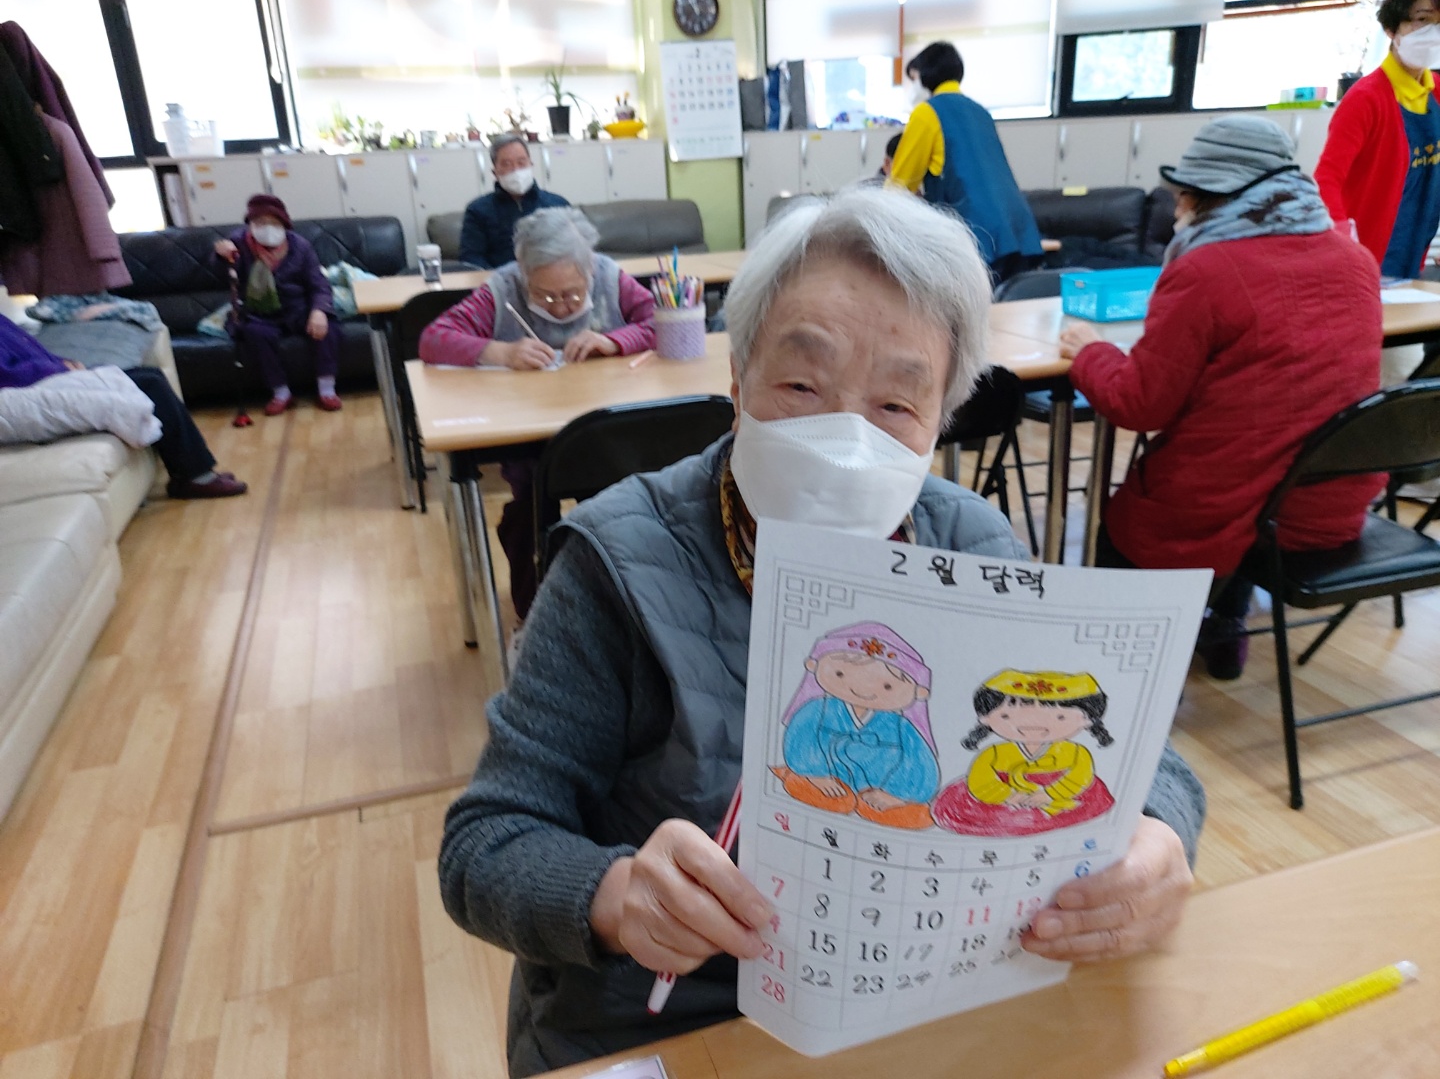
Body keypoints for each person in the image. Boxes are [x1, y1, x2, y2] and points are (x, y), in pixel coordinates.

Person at [438, 187, 1206, 1077]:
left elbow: (1144, 759)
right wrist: (611, 896)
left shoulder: (970, 546)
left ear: (939, 422)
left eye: (896, 406)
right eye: (802, 385)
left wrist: (1158, 840)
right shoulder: (617, 563)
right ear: (737, 380)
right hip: (667, 1028)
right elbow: (486, 841)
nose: (845, 438)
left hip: (925, 1008)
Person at [1060, 117, 1383, 680]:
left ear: (1205, 195)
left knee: (1126, 522)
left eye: (1182, 194)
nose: (1177, 208)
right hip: (1329, 507)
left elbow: (1139, 404)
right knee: (1258, 466)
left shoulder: (1206, 269)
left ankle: (1114, 668)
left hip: (1224, 515)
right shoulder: (1356, 261)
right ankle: (1225, 624)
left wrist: (1091, 352)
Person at [420, 207, 656, 621]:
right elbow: (433, 339)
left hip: (604, 433)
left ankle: (617, 609)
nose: (561, 307)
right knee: (528, 519)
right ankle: (534, 618)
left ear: (589, 269)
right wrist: (500, 352)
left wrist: (614, 340)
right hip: (531, 441)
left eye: (572, 294)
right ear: (524, 274)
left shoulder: (609, 277)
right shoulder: (502, 288)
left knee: (617, 510)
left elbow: (662, 321)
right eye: (545, 295)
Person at [0, 314, 247, 498]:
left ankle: (191, 472)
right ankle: (194, 477)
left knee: (151, 375)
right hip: (34, 387)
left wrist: (62, 362)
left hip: (50, 377)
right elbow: (7, 374)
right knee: (150, 385)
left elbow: (32, 351)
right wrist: (57, 368)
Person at [887, 42, 1043, 283]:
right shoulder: (980, 112)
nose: (913, 87)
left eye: (914, 78)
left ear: (927, 74)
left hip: (975, 236)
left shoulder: (927, 112)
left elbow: (898, 188)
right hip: (1018, 230)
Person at [770, 622, 939, 830]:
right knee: (820, 795)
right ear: (814, 665)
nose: (863, 689)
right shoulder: (818, 709)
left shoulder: (901, 727)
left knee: (916, 815)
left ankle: (880, 804)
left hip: (878, 792)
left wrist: (896, 794)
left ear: (919, 692)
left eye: (887, 686)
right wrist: (815, 773)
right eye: (840, 674)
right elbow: (800, 737)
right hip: (827, 780)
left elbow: (920, 761)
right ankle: (806, 780)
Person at [1315, 0, 1440, 281]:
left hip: (1415, 252)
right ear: (1391, 29)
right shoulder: (1365, 98)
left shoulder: (1437, 91)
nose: (1432, 33)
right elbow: (1327, 179)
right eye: (1422, 20)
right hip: (1365, 258)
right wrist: (1344, 243)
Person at [931, 670, 1117, 838]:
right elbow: (981, 779)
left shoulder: (1076, 752)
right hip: (1004, 797)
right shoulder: (994, 753)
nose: (1033, 725)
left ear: (1087, 720)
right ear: (985, 718)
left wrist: (1049, 794)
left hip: (1062, 794)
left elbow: (1080, 776)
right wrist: (1008, 795)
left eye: (1060, 717)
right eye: (1007, 716)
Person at [214, 194, 341, 416]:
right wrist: (221, 256)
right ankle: (281, 392)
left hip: (297, 307)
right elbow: (223, 277)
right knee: (255, 333)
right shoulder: (239, 244)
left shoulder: (300, 246)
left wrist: (319, 311)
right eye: (260, 222)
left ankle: (327, 389)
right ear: (250, 225)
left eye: (273, 222)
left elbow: (319, 284)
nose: (267, 228)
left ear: (284, 224)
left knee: (327, 328)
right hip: (259, 312)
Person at [459, 134, 571, 269]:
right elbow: (472, 259)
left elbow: (575, 250)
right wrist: (500, 278)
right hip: (499, 279)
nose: (516, 170)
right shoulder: (478, 210)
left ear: (531, 165)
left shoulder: (558, 204)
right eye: (506, 164)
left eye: (521, 162)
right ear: (495, 172)